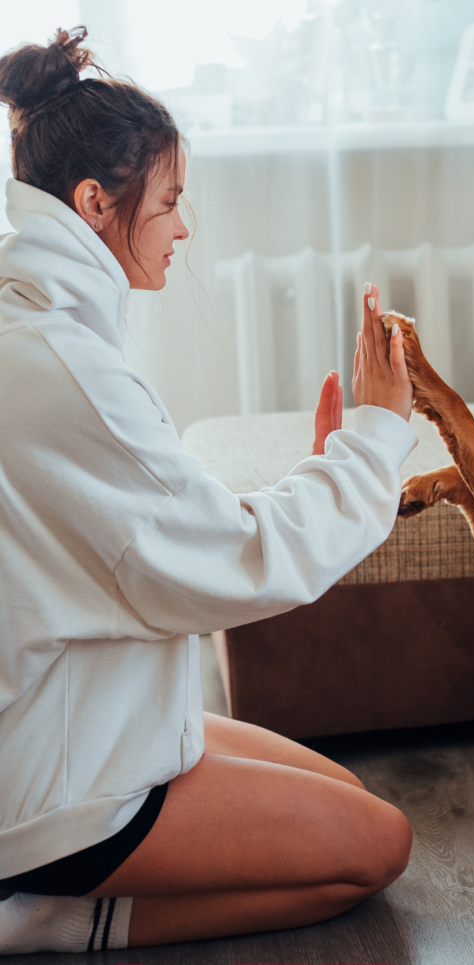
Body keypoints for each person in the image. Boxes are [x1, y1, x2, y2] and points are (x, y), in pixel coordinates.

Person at [0, 27, 416, 955]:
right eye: (171, 202)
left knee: (346, 800)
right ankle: (56, 911)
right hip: (55, 791)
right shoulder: (62, 367)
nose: (183, 227)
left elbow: (157, 525)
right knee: (377, 844)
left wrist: (329, 465)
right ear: (94, 202)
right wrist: (378, 437)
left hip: (77, 721)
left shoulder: (33, 325)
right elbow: (234, 560)